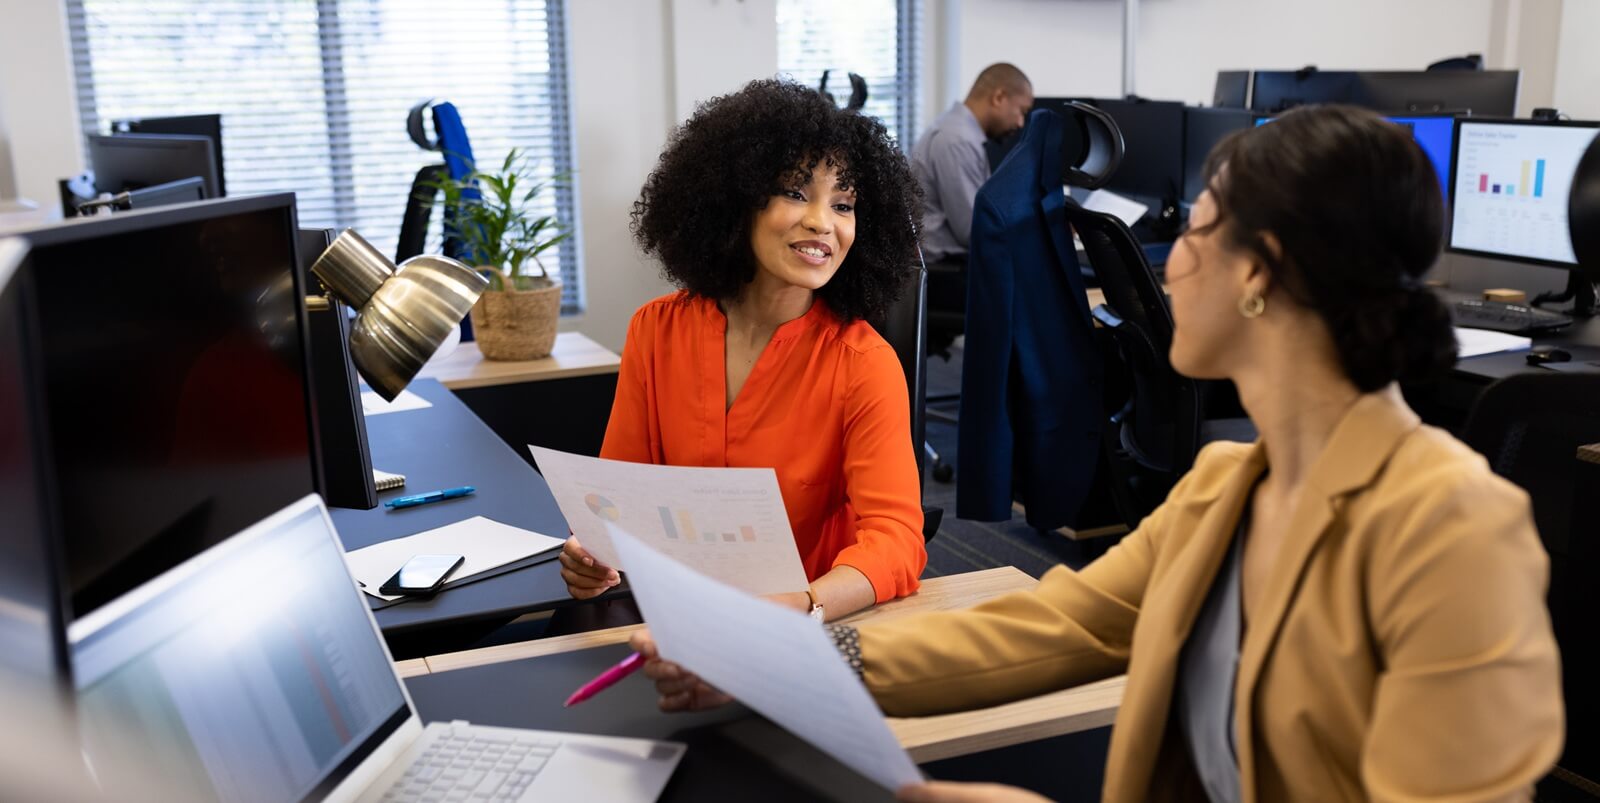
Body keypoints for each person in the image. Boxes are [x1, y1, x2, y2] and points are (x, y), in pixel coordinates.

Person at [632, 105, 1565, 801]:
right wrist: (768, 659)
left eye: (1196, 231)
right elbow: (1055, 626)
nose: (1169, 261)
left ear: (1258, 274)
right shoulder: (1227, 484)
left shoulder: (1453, 528)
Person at [558, 79, 928, 623]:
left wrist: (803, 603)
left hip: (802, 625)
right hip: (670, 615)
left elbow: (897, 541)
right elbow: (618, 500)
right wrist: (591, 555)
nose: (822, 222)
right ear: (736, 201)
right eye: (796, 193)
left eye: (844, 204)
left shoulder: (863, 364)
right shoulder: (656, 330)